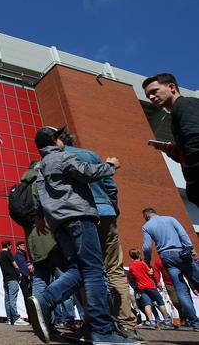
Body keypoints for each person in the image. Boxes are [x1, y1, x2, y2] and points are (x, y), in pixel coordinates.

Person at [26, 125, 138, 344]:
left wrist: (41, 215)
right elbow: (88, 173)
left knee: (79, 268)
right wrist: (110, 165)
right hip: (79, 216)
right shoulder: (62, 157)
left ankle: (44, 301)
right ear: (55, 140)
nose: (63, 140)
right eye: (59, 137)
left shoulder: (41, 166)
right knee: (95, 270)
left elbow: (40, 196)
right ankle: (103, 332)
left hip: (58, 222)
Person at [63, 132, 139, 339]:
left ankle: (93, 323)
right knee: (114, 269)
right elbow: (110, 186)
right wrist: (111, 208)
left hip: (83, 216)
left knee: (87, 270)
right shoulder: (91, 155)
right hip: (106, 213)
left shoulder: (59, 157)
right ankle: (127, 324)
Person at [143, 73, 199, 208]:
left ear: (172, 87)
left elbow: (195, 139)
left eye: (154, 91)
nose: (151, 97)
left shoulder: (185, 105)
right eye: (148, 96)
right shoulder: (178, 111)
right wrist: (174, 152)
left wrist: (193, 180)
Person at [141, 207, 199, 331]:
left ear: (146, 216)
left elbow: (146, 248)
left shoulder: (147, 226)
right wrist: (191, 248)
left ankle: (195, 323)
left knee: (181, 290)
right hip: (181, 252)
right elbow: (183, 234)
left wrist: (147, 261)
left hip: (166, 257)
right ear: (155, 213)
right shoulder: (170, 219)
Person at [127, 249, 176, 329]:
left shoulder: (131, 266)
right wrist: (151, 270)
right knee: (160, 302)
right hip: (150, 286)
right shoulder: (142, 263)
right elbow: (150, 272)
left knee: (147, 304)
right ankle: (167, 320)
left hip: (141, 288)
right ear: (139, 255)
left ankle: (151, 321)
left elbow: (131, 277)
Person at [0, 240, 28, 326]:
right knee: (12, 298)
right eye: (10, 246)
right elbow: (15, 265)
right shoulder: (8, 254)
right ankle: (16, 318)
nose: (11, 247)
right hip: (12, 278)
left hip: (5, 279)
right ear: (8, 246)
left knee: (7, 299)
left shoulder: (0, 255)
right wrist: (19, 273)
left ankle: (9, 318)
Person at [153, 256, 188, 324]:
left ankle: (188, 319)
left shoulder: (175, 256)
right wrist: (158, 281)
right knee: (175, 302)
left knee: (185, 301)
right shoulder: (158, 260)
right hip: (169, 284)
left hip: (180, 282)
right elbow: (156, 271)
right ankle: (183, 316)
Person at [14, 241, 32, 312]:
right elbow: (17, 268)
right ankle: (31, 316)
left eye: (24, 245)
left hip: (29, 278)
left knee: (32, 297)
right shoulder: (16, 256)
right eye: (21, 245)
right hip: (23, 279)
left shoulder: (25, 255)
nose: (23, 246)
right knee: (27, 297)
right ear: (17, 247)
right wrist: (25, 275)